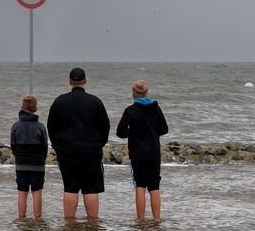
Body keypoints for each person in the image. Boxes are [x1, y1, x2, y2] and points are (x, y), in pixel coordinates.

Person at [46, 67, 110, 220]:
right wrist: (99, 144)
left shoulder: (59, 101)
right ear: (85, 81)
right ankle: (92, 223)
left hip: (67, 150)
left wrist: (57, 146)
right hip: (91, 150)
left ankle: (69, 223)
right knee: (91, 188)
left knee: (70, 187)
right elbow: (105, 126)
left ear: (70, 82)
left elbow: (51, 126)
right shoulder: (95, 101)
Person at [115, 79, 169, 221]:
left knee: (140, 185)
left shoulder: (130, 110)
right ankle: (156, 219)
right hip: (153, 151)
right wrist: (153, 132)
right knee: (154, 186)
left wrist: (133, 132)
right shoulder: (156, 108)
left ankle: (141, 220)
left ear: (133, 93)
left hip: (137, 152)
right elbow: (164, 129)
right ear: (147, 92)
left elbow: (120, 132)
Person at [10, 94, 48, 218]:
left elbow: (13, 145)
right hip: (37, 163)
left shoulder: (16, 126)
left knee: (22, 191)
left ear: (22, 107)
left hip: (21, 162)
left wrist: (18, 156)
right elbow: (45, 146)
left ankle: (22, 218)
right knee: (37, 191)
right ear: (35, 108)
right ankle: (38, 218)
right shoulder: (40, 126)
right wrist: (42, 159)